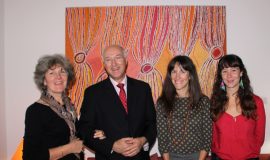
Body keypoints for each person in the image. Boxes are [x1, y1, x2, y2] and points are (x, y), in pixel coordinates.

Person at [77, 45, 157, 160]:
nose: (114, 64)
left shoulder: (143, 89)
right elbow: (84, 129)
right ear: (104, 64)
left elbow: (152, 123)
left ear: (126, 61)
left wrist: (142, 140)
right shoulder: (93, 93)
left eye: (118, 58)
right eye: (108, 60)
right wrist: (112, 145)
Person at [23, 54, 83, 160]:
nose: (58, 77)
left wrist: (98, 133)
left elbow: (79, 135)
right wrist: (69, 148)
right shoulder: (35, 111)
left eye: (62, 71)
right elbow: (31, 156)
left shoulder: (69, 108)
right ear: (44, 81)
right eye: (52, 73)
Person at [210, 54, 266, 160]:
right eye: (225, 71)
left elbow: (260, 136)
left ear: (241, 72)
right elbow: (213, 135)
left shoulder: (256, 102)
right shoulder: (215, 102)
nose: (229, 76)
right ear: (220, 75)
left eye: (234, 70)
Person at [156, 55, 212, 160]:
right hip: (171, 157)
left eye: (182, 71)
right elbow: (162, 138)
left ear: (190, 75)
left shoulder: (203, 102)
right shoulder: (162, 103)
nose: (177, 76)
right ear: (170, 75)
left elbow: (207, 137)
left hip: (197, 156)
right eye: (174, 71)